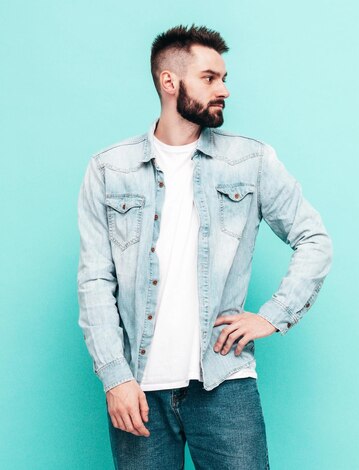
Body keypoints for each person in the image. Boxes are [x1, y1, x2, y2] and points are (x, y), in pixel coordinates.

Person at [77, 24, 332, 469]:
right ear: (169, 82)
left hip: (223, 383)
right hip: (137, 390)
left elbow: (314, 239)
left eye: (224, 78)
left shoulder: (250, 161)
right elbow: (95, 281)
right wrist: (115, 377)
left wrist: (273, 316)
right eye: (211, 78)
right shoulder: (108, 169)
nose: (225, 90)